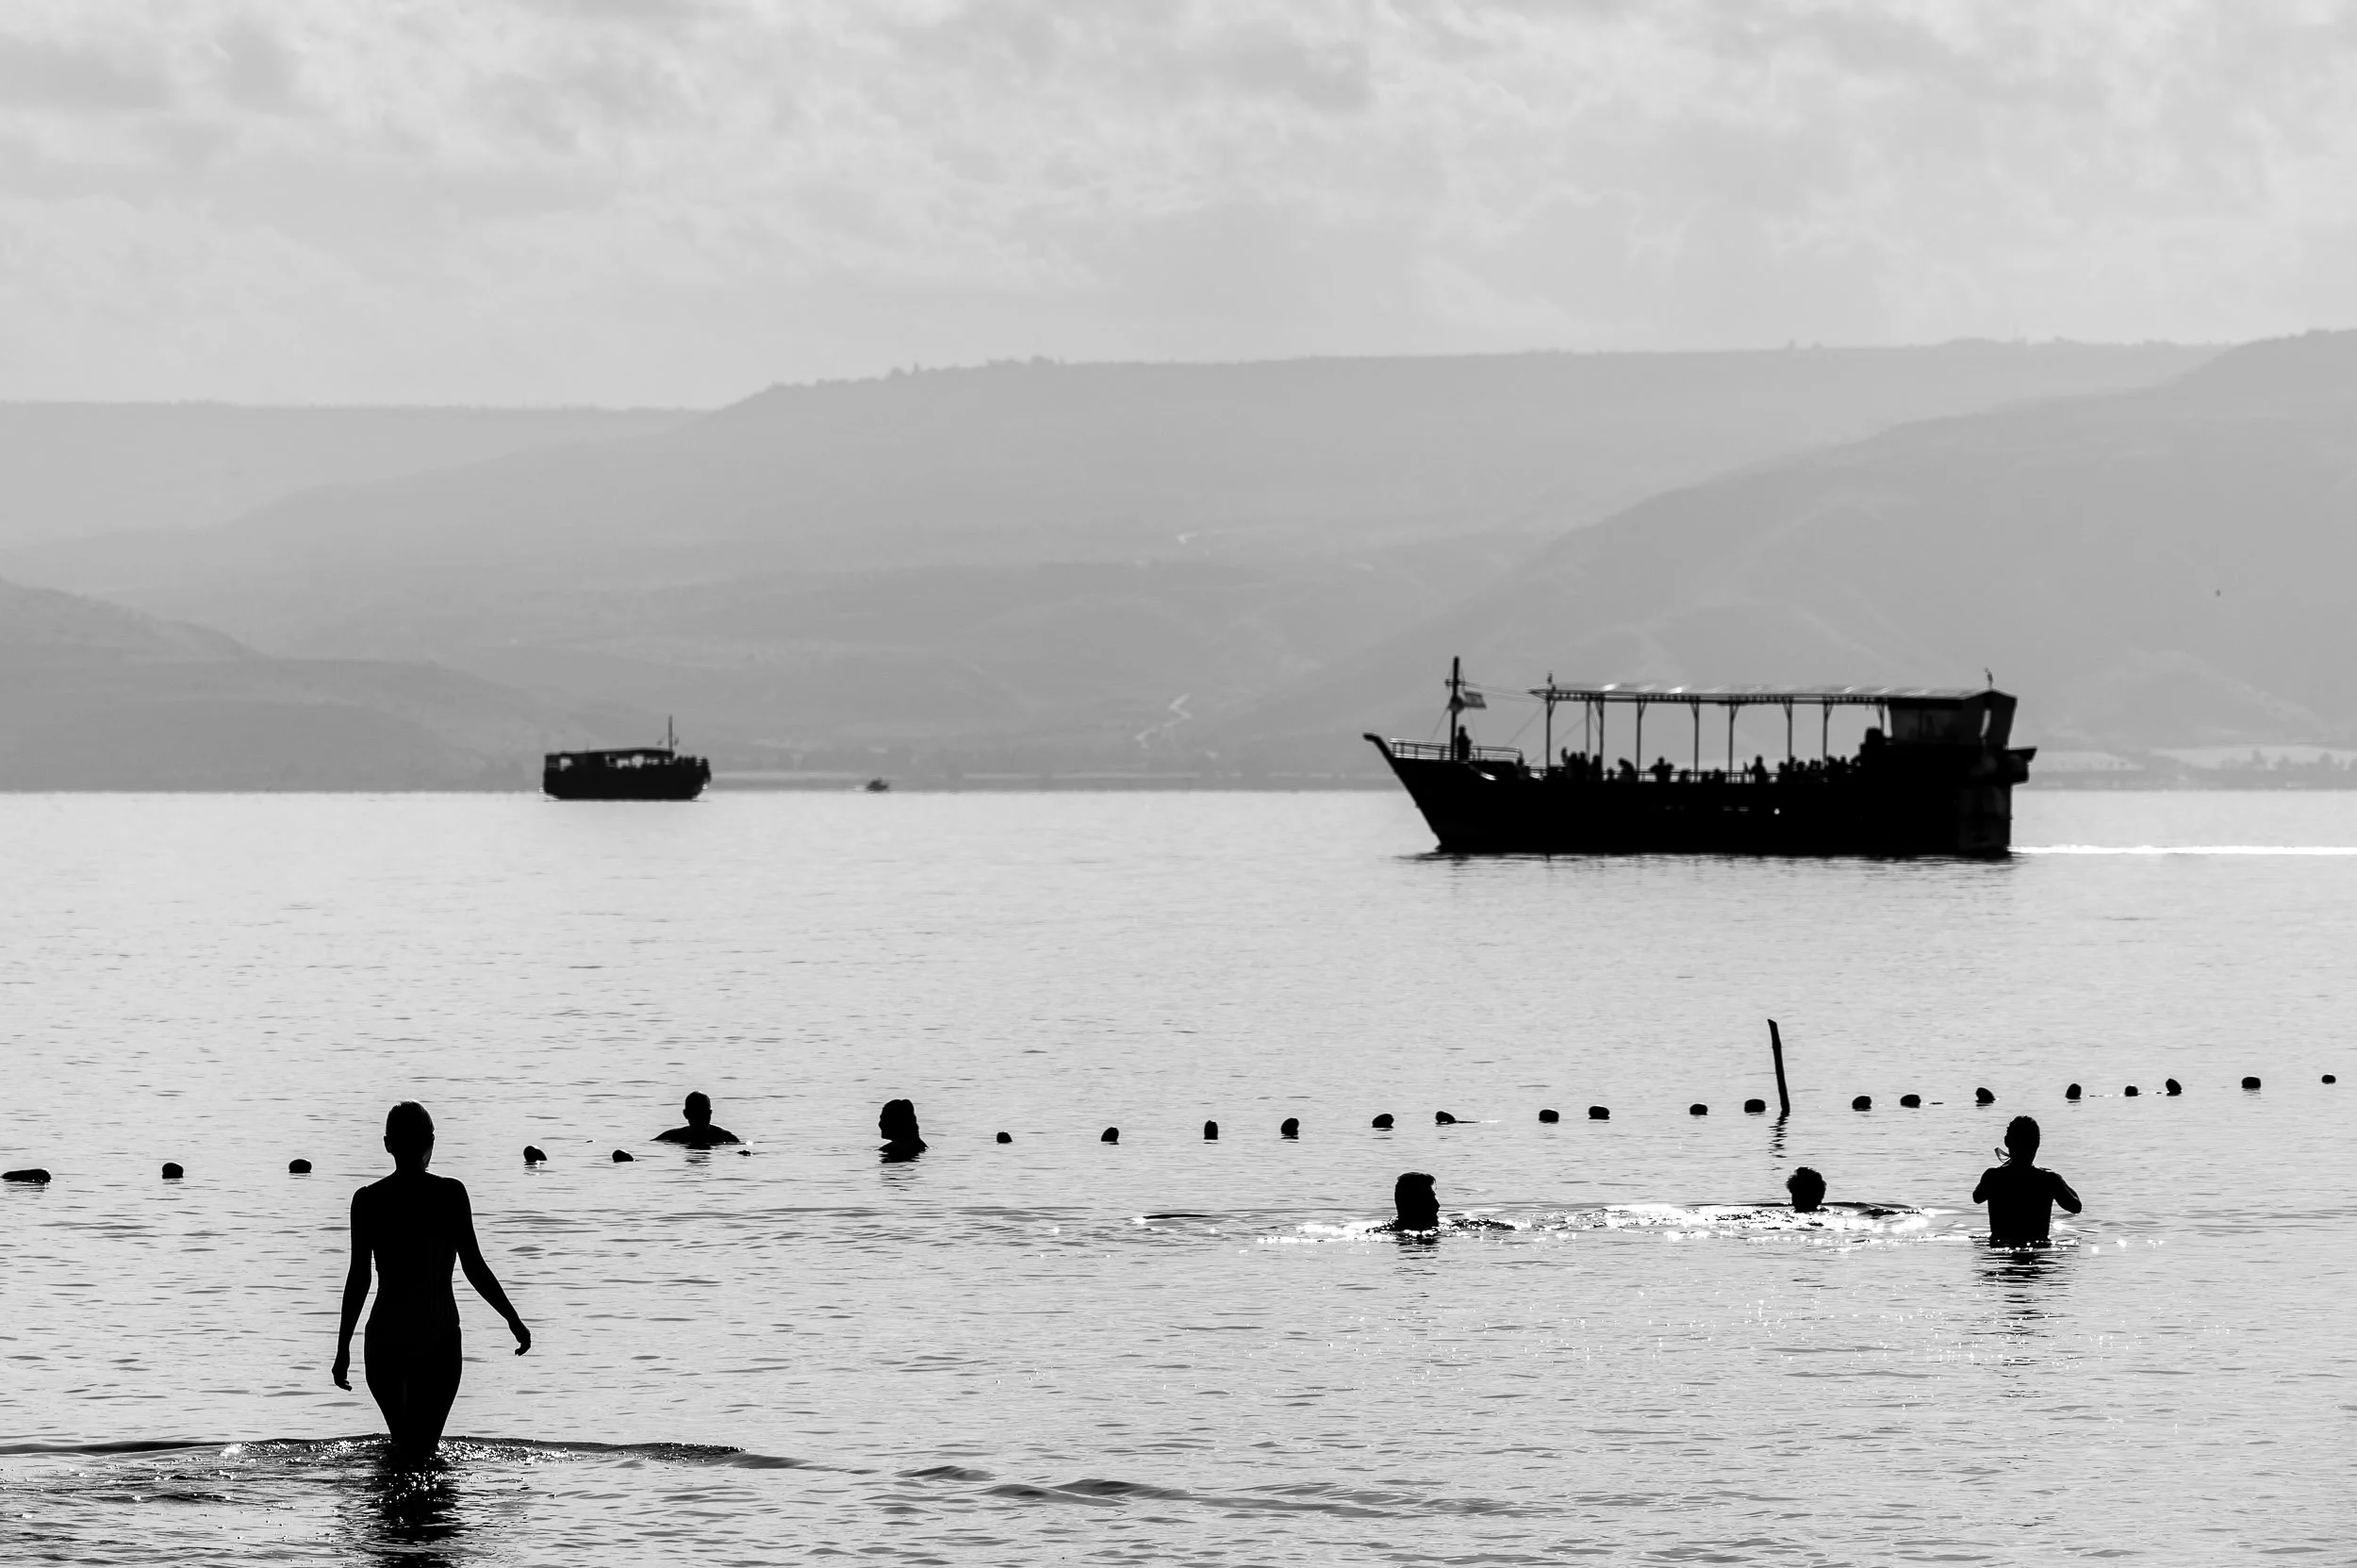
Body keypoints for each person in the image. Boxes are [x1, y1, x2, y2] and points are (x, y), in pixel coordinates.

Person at [333, 1102, 531, 1461]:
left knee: (403, 1449)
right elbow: (474, 1266)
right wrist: (512, 1318)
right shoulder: (449, 1194)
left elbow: (359, 1278)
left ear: (387, 1144)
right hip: (436, 1335)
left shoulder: (368, 1200)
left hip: (386, 1337)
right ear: (431, 1142)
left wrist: (343, 1346)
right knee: (424, 1452)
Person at [1972, 1114, 2083, 1245]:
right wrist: (2059, 1180)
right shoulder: (2049, 1180)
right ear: (2037, 1144)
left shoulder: (1993, 1176)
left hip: (2000, 1252)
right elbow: (2076, 1206)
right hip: (2038, 1249)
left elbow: (1977, 1197)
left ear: (2007, 1141)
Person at [654, 1091, 740, 1148]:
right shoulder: (671, 1136)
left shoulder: (725, 1137)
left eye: (704, 1113)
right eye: (696, 1113)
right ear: (686, 1114)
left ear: (710, 1113)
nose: (701, 1118)